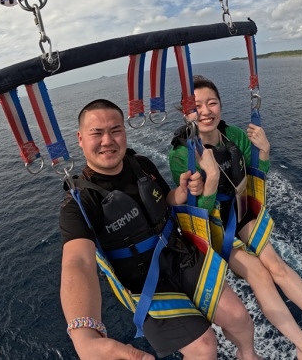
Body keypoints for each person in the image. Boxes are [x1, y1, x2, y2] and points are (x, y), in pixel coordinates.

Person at [59, 99, 263, 360]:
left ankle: (248, 356)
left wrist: (181, 191)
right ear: (80, 138)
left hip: (180, 256)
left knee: (238, 317)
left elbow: (165, 200)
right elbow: (77, 261)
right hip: (144, 284)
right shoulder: (79, 203)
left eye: (115, 130)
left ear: (124, 132)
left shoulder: (141, 164)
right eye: (97, 133)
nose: (107, 140)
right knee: (204, 348)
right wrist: (82, 333)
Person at [168, 75, 302, 360]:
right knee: (259, 274)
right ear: (186, 113)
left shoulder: (235, 136)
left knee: (276, 264)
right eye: (196, 106)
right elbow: (197, 213)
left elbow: (255, 177)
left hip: (241, 211)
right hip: (214, 226)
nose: (205, 112)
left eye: (211, 103)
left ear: (221, 106)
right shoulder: (182, 154)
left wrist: (264, 152)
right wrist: (212, 177)